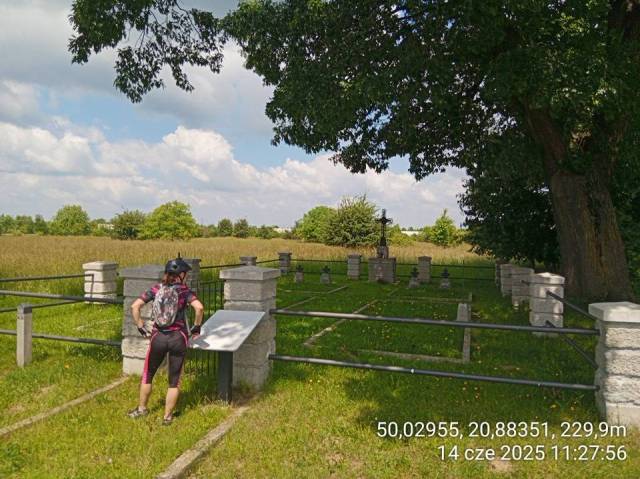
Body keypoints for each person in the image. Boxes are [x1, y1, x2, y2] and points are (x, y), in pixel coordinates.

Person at [127, 257, 204, 425]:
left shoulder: (156, 289)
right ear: (181, 275)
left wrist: (141, 326)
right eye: (186, 274)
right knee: (174, 381)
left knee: (148, 374)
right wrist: (196, 327)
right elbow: (199, 308)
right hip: (178, 338)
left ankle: (141, 409)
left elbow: (135, 306)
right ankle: (167, 418)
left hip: (158, 338)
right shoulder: (184, 291)